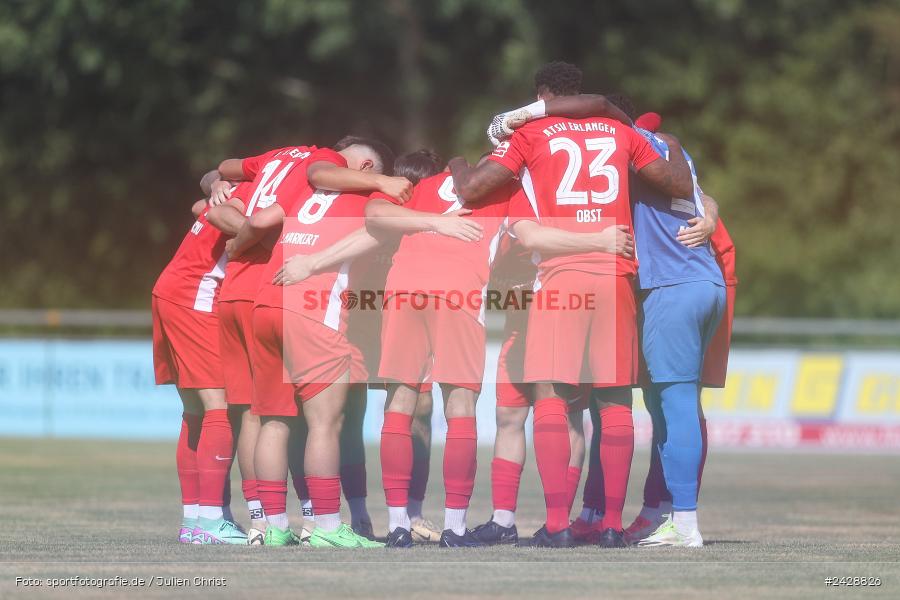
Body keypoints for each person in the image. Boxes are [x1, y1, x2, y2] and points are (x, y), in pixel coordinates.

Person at [449, 61, 694, 548]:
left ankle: (558, 523)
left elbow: (472, 189)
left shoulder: (530, 134)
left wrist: (460, 162)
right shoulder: (619, 131)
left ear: (541, 96)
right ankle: (610, 525)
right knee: (614, 402)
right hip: (616, 272)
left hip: (559, 277)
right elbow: (679, 185)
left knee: (553, 399)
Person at [227, 137, 409, 547]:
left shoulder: (303, 184)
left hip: (266, 302)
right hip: (312, 308)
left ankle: (272, 526)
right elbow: (379, 232)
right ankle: (327, 528)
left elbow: (301, 184)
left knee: (274, 418)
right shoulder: (369, 193)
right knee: (325, 423)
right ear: (368, 171)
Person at [366, 154, 512, 548]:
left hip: (402, 288)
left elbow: (375, 211)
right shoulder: (512, 189)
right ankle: (455, 528)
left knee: (399, 402)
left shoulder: (429, 185)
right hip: (459, 292)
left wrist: (431, 222)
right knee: (461, 407)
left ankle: (398, 526)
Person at [206, 146, 320, 544]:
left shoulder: (264, 168)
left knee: (250, 413)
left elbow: (213, 201)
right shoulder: (316, 170)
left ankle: (258, 520)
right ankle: (309, 520)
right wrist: (263, 241)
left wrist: (241, 237)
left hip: (233, 294)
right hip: (269, 295)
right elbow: (263, 218)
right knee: (299, 415)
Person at [152, 189, 245, 545]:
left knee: (194, 411)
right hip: (195, 293)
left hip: (173, 289)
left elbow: (205, 195)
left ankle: (193, 521)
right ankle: (210, 520)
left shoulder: (239, 185)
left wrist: (215, 183)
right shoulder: (266, 191)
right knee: (219, 407)